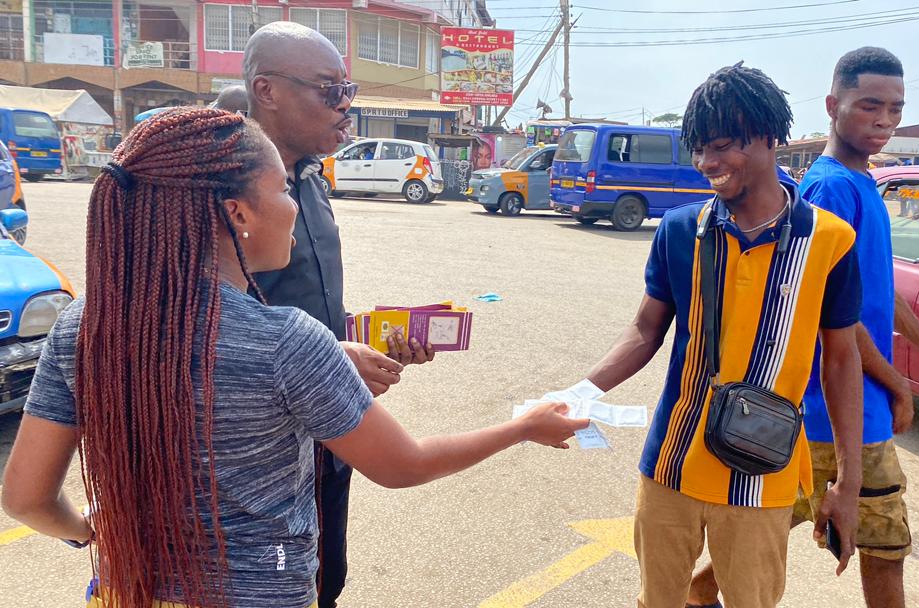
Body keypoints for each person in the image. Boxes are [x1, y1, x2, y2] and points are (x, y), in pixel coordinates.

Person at [0, 107, 588, 608]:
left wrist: (86, 531)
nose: (294, 205)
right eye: (282, 188)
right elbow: (401, 465)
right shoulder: (285, 339)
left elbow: (25, 497)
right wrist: (523, 428)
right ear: (237, 214)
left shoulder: (84, 326)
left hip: (120, 590)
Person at [688, 47, 919, 608]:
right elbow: (828, 311)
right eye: (870, 105)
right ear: (832, 105)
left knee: (786, 535)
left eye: (896, 108)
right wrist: (895, 381)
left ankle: (696, 596)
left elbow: (876, 292)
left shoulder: (864, 182)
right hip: (827, 408)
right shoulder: (830, 189)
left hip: (845, 411)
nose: (885, 120)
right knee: (880, 546)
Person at [584, 63, 865, 608]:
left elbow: (841, 361)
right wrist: (580, 392)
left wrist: (847, 485)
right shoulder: (680, 229)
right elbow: (646, 329)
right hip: (671, 463)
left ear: (769, 138)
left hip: (763, 473)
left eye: (722, 146)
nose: (708, 164)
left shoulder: (830, 240)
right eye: (699, 150)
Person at [242, 22, 435, 607]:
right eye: (329, 90)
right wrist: (324, 355)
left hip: (326, 426)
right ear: (267, 90)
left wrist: (366, 339)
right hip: (256, 449)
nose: (345, 105)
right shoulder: (218, 188)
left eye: (346, 89)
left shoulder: (311, 181)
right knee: (275, 584)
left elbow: (312, 305)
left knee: (327, 572)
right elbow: (196, 324)